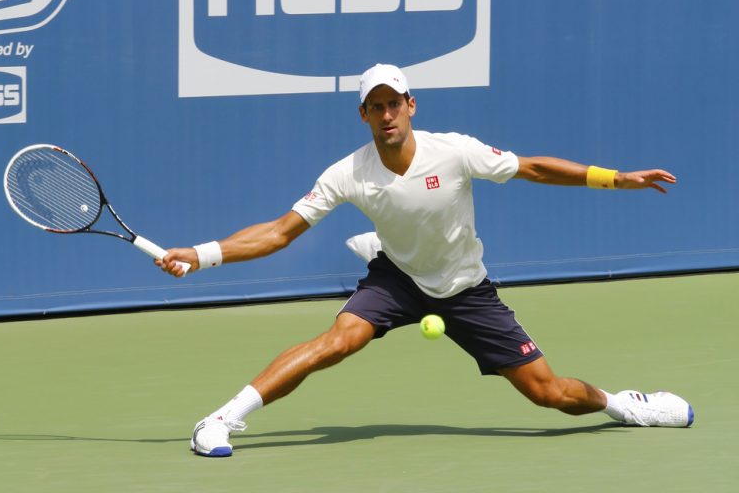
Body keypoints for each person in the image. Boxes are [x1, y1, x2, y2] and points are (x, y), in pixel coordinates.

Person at [158, 64, 693, 458]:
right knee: (338, 341)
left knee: (547, 393)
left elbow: (531, 168)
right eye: (376, 105)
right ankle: (222, 420)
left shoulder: (454, 151)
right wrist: (202, 256)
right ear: (363, 114)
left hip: (465, 288)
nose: (387, 114)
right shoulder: (348, 172)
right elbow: (279, 232)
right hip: (399, 278)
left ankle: (624, 405)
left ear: (411, 105)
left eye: (395, 103)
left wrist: (617, 178)